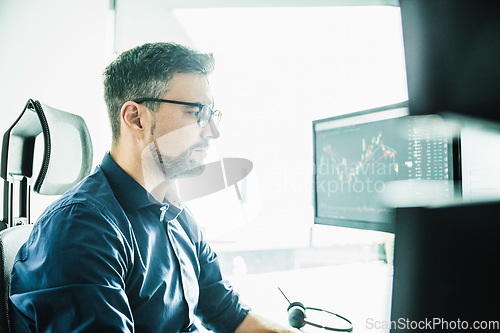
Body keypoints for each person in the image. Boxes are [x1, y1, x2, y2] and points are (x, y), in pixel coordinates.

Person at [9, 42, 299, 333]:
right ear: (135, 118)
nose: (213, 131)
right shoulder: (82, 229)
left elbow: (230, 315)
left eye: (212, 114)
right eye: (197, 112)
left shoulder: (178, 215)